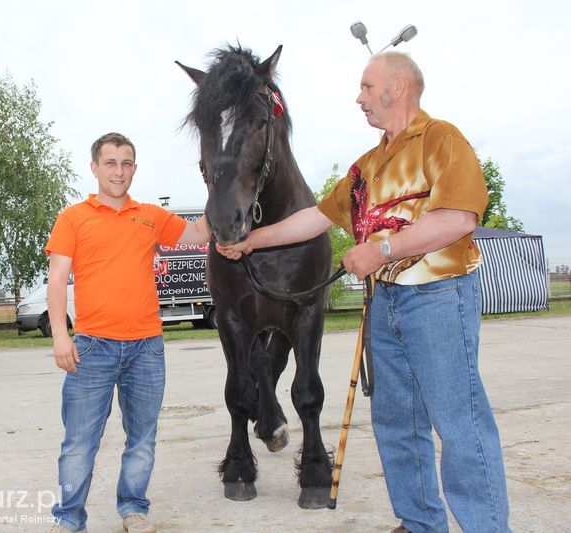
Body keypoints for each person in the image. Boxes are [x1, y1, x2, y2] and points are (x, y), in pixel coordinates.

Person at [217, 52, 510, 533]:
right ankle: (419, 523)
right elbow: (314, 218)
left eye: (367, 88)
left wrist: (380, 250)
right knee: (397, 422)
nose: (359, 98)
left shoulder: (442, 140)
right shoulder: (368, 165)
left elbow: (458, 218)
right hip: (386, 303)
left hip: (438, 299)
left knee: (460, 424)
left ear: (398, 87)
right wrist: (252, 240)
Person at [46, 132, 211, 533]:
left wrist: (219, 184)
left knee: (142, 439)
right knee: (79, 443)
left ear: (134, 168)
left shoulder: (151, 215)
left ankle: (133, 510)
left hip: (146, 349)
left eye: (126, 163)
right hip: (91, 348)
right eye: (110, 163)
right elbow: (57, 280)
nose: (119, 171)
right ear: (94, 168)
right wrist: (59, 336)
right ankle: (69, 519)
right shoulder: (73, 217)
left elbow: (199, 234)